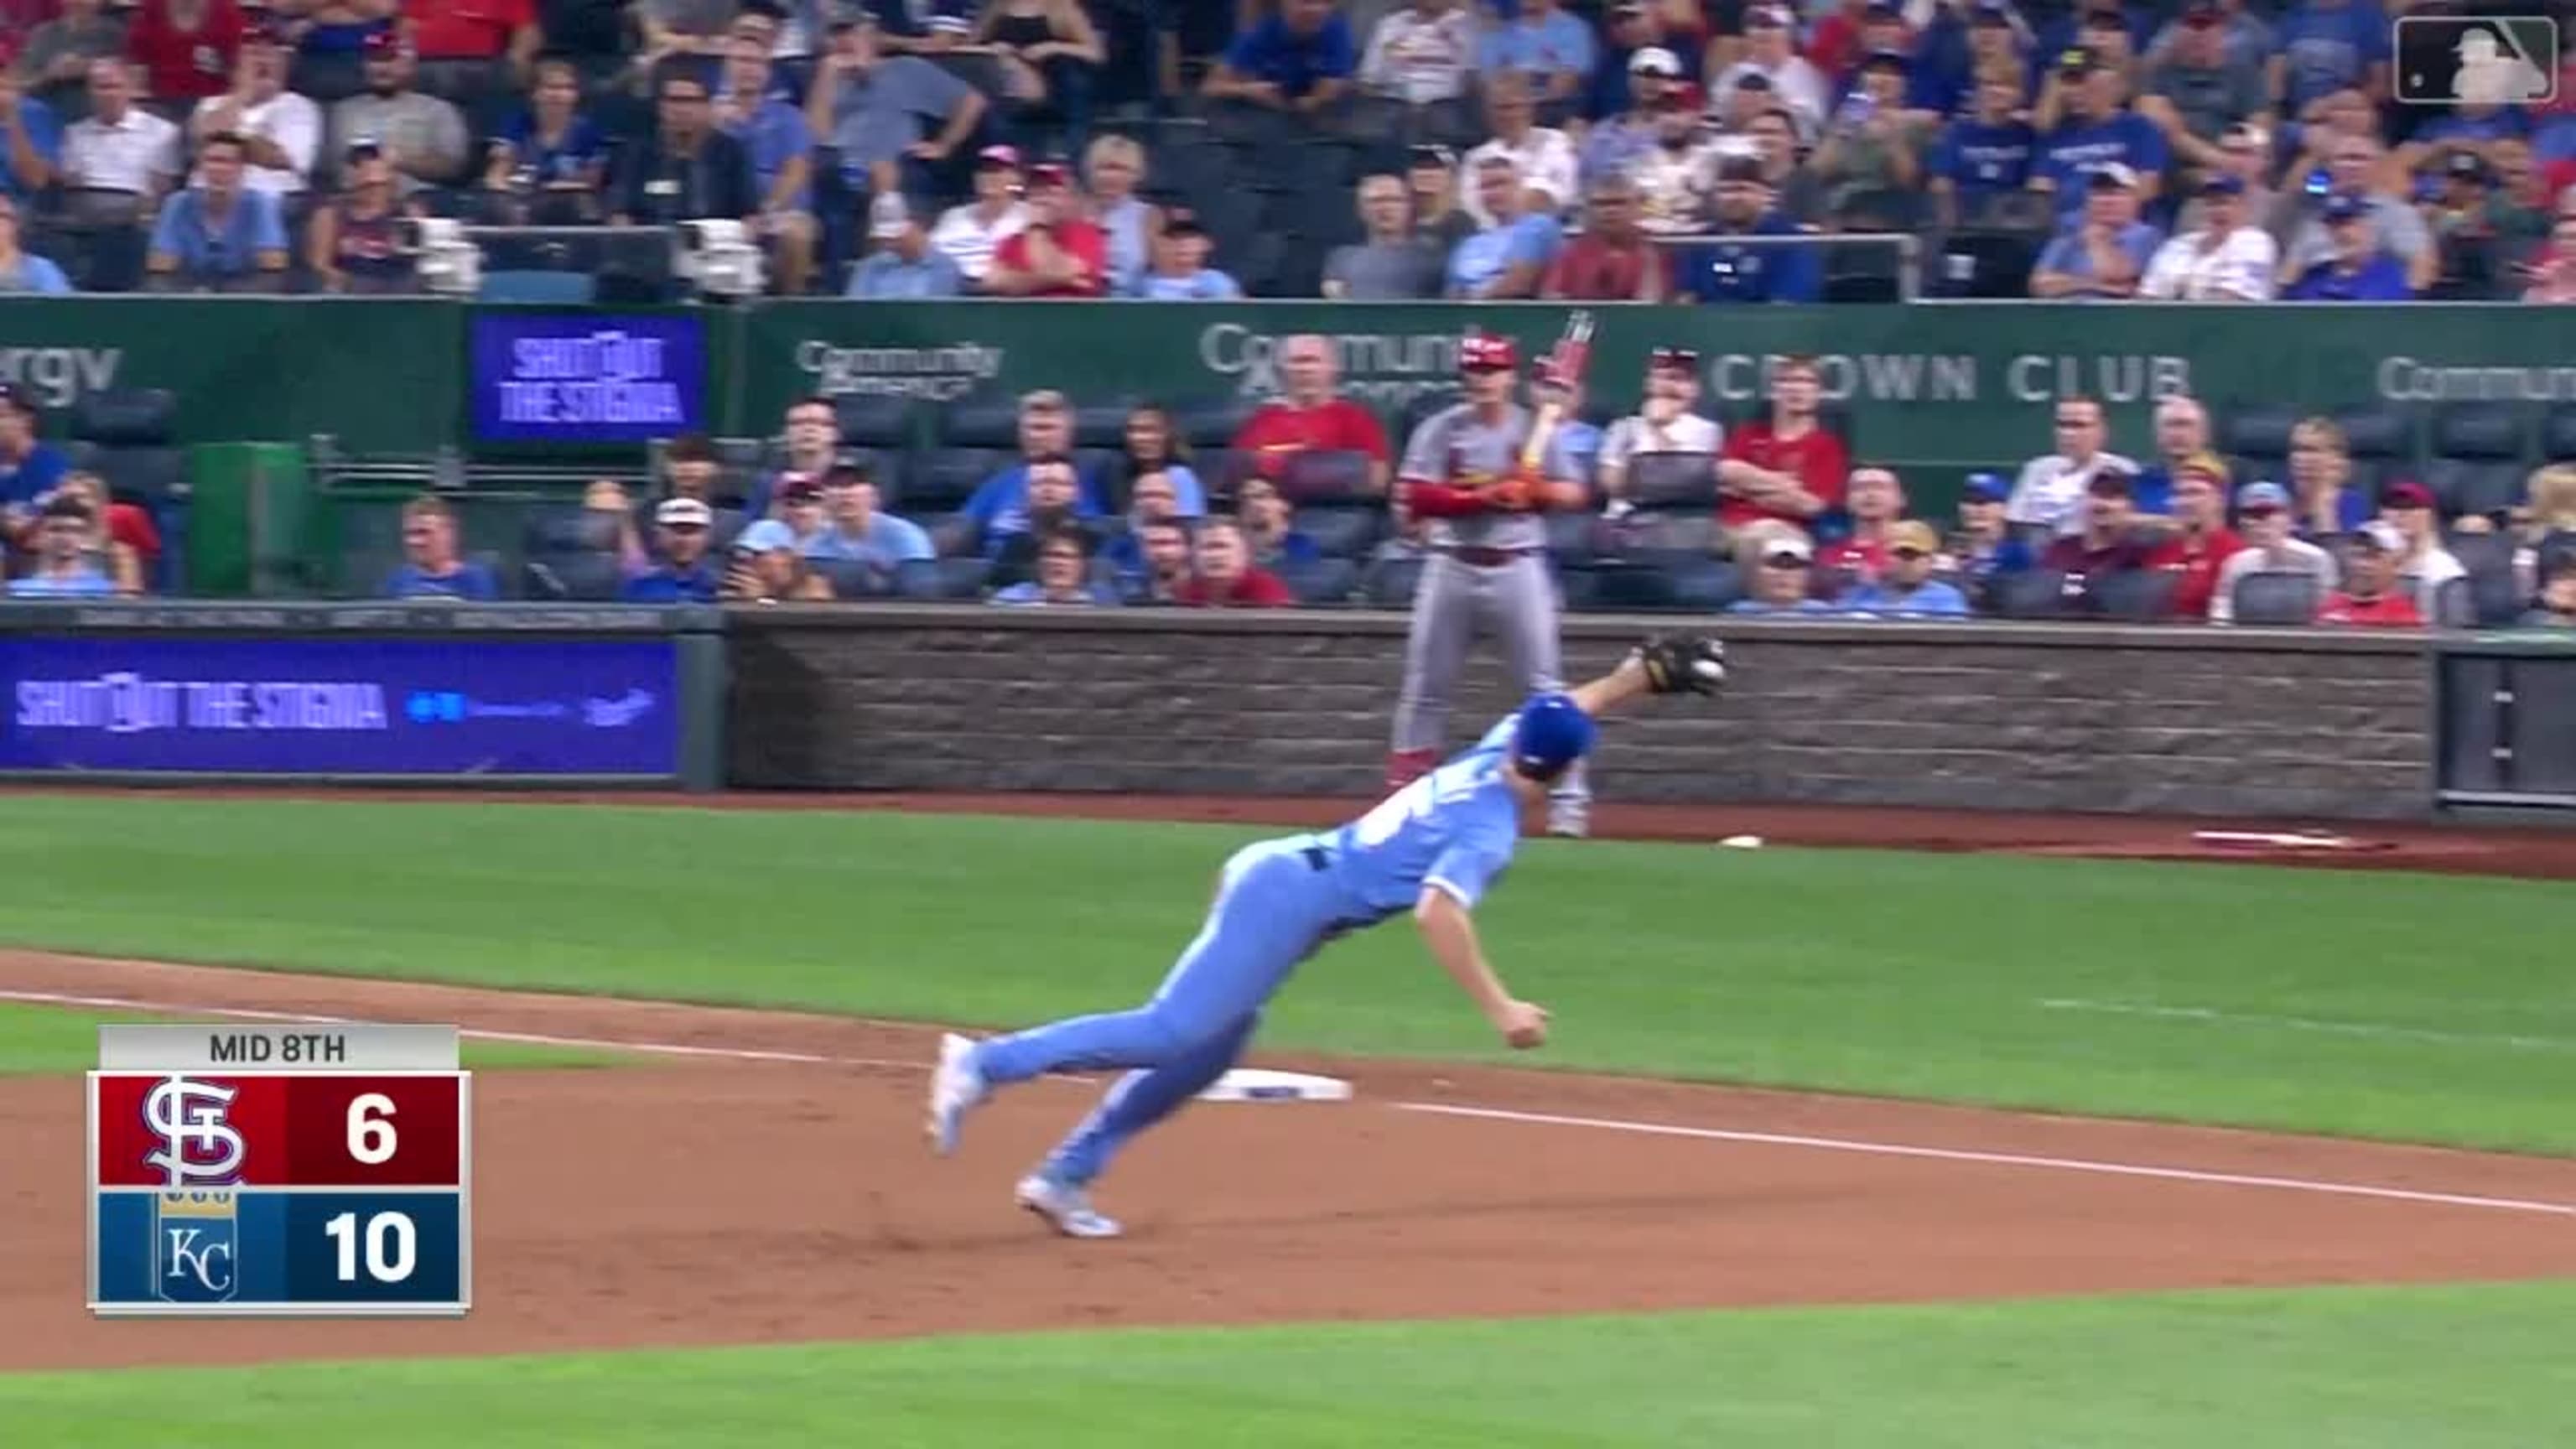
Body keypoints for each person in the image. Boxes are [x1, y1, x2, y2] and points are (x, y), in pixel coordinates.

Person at [923, 635, 1729, 1236]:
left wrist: (1644, 676)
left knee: (1210, 1048)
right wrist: (1502, 1009)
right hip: (1284, 896)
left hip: (1280, 877)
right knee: (1170, 1029)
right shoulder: (1488, 829)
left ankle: (1066, 1176)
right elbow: (1438, 912)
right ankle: (984, 1062)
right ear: (1564, 776)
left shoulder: (1498, 747)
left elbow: (1570, 708)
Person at [1385, 333, 1592, 837]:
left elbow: (1575, 492)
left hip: (1518, 564)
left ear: (1511, 376)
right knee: (1425, 690)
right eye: (1474, 371)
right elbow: (1415, 496)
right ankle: (1404, 803)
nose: (1482, 380)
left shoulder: (1532, 428)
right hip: (1452, 562)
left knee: (1545, 692)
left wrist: (1536, 488)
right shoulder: (1442, 429)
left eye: (1492, 370)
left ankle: (1569, 804)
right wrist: (1484, 496)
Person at [8, 494, 118, 598]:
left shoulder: (105, 591)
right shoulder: (18, 591)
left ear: (86, 537)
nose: (66, 537)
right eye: (56, 529)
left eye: (75, 530)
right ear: (39, 535)